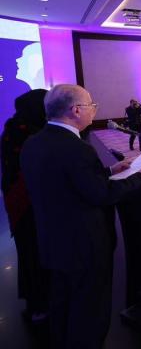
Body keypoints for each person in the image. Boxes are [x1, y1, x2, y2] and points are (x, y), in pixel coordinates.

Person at [20, 85, 141, 348]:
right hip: (84, 247)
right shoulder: (77, 148)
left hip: (52, 242)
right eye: (91, 104)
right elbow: (102, 195)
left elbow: (64, 183)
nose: (94, 109)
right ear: (76, 110)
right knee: (89, 313)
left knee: (62, 306)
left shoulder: (34, 143)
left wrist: (109, 171)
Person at [1, 89, 50, 324]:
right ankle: (39, 305)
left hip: (18, 200)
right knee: (34, 253)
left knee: (29, 253)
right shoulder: (29, 132)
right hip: (28, 202)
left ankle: (36, 303)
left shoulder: (14, 127)